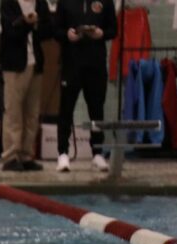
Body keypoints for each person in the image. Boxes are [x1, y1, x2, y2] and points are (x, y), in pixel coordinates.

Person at [52, 0, 116, 173]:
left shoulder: (105, 2)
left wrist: (101, 34)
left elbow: (113, 30)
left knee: (97, 110)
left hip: (95, 64)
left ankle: (97, 153)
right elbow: (55, 30)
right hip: (72, 64)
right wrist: (68, 34)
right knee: (66, 109)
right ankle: (63, 153)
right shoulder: (65, 2)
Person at [0, 0, 51, 171]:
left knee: (32, 113)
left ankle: (27, 155)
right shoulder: (9, 3)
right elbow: (10, 31)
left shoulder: (40, 3)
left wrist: (35, 24)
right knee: (13, 110)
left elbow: (48, 29)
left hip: (35, 63)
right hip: (15, 64)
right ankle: (11, 156)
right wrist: (27, 23)